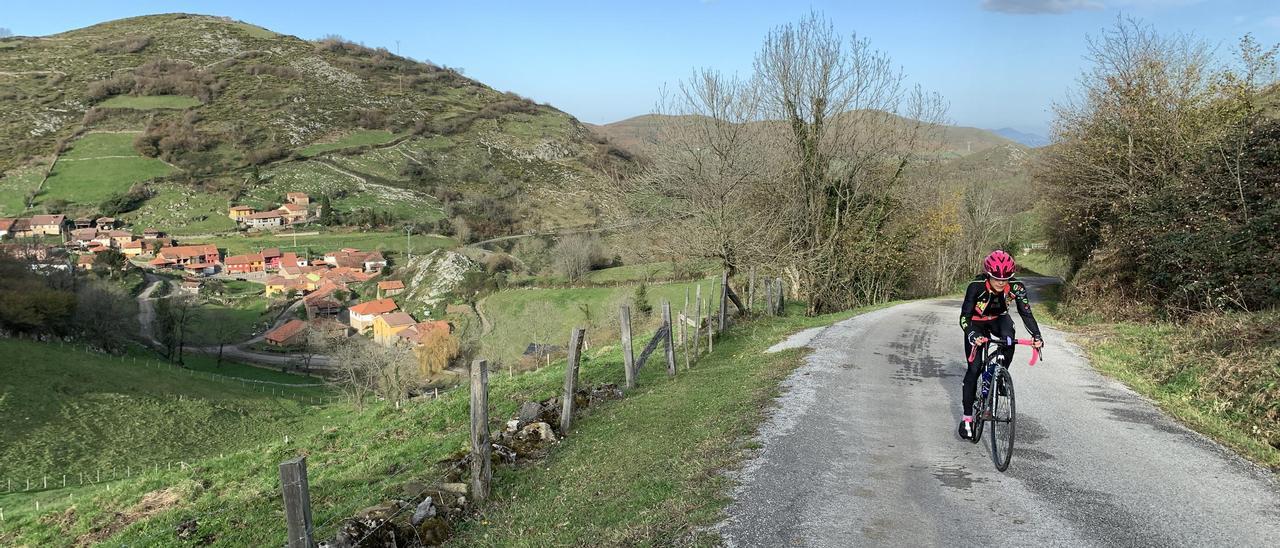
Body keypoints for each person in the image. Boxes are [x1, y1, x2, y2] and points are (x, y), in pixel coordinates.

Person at [957, 250, 1043, 440]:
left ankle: (1001, 372)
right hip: (976, 322)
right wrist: (972, 334)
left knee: (1009, 337)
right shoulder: (975, 287)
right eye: (996, 278)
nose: (1001, 283)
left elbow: (1026, 314)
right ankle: (967, 418)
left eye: (1006, 279)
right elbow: (964, 317)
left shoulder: (1017, 288)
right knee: (974, 369)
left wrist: (1037, 335)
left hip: (998, 319)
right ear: (988, 274)